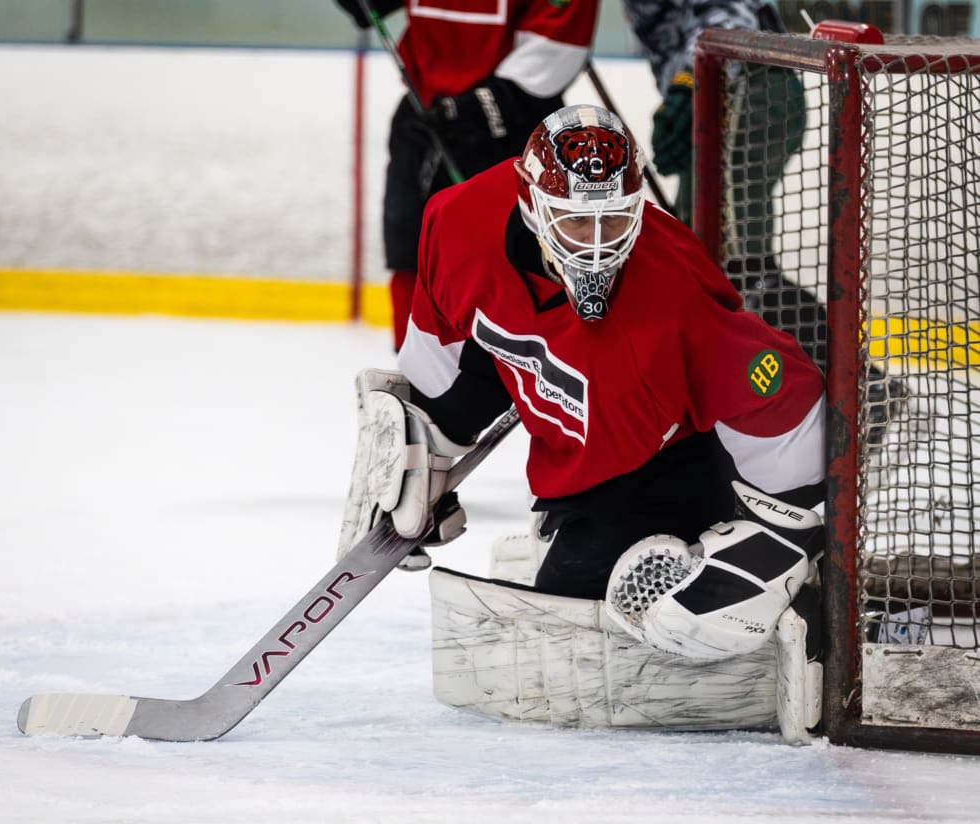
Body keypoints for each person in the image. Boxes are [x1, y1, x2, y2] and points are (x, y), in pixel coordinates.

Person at [341, 103, 827, 662]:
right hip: (579, 433)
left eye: (615, 219)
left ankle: (787, 592)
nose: (597, 245)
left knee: (572, 629)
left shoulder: (675, 297)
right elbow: (445, 362)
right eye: (576, 220)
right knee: (565, 616)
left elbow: (788, 397)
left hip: (669, 458)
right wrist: (423, 455)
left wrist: (775, 546)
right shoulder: (456, 222)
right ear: (531, 202)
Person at [621, 0, 905, 440]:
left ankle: (861, 384)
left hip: (745, 90)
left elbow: (729, 17)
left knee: (737, 265)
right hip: (725, 90)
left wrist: (687, 84)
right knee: (697, 258)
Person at [334, 0, 598, 351]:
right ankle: (416, 379)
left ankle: (517, 385)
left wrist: (477, 109)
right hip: (424, 111)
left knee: (512, 263)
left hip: (509, 124)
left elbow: (557, 45)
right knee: (411, 245)